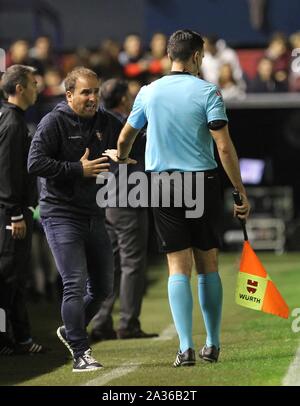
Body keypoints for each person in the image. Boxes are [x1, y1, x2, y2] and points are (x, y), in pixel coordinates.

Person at [104, 30, 250, 367]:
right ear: (198, 56)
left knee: (177, 267)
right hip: (201, 181)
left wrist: (123, 157)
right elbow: (224, 146)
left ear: (170, 55)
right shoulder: (208, 91)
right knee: (207, 264)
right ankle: (212, 344)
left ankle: (185, 348)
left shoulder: (148, 91)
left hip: (162, 184)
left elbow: (126, 136)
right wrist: (239, 190)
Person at [27, 67, 123, 372]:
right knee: (74, 284)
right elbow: (35, 163)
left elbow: (123, 143)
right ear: (69, 95)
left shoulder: (105, 121)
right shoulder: (53, 122)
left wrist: (122, 156)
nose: (93, 97)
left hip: (94, 212)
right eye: (86, 92)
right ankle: (81, 352)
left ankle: (71, 330)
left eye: (95, 91)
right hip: (60, 214)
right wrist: (75, 169)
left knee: (104, 288)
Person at [91, 79, 157, 341]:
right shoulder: (127, 123)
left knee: (111, 263)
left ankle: (100, 321)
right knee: (132, 263)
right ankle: (128, 323)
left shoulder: (98, 122)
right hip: (128, 198)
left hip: (105, 199)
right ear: (123, 99)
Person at [0, 64, 46, 355]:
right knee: (7, 276)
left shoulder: (11, 119)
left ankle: (20, 339)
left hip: (12, 211)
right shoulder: (12, 123)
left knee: (14, 277)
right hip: (10, 215)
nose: (37, 88)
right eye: (32, 83)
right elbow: (5, 172)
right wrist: (15, 213)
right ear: (19, 88)